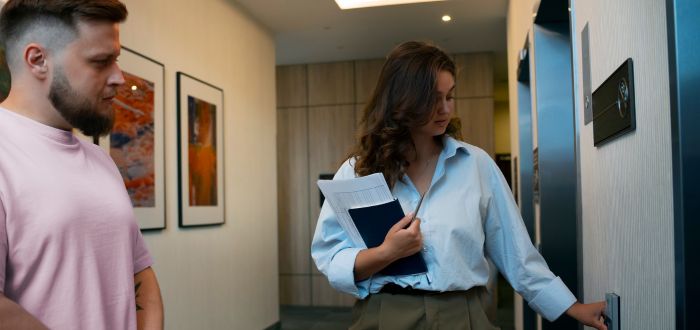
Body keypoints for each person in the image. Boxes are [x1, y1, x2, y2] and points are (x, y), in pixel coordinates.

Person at [311, 41, 607, 330]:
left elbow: (517, 255)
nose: (444, 110)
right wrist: (386, 253)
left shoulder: (476, 165)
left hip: (463, 315)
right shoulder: (356, 172)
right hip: (383, 314)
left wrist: (573, 308)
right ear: (402, 100)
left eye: (449, 96)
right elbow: (330, 257)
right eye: (432, 99)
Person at [0, 1, 163, 329]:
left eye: (115, 60)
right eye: (101, 62)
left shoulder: (101, 161)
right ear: (38, 60)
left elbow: (138, 272)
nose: (118, 78)